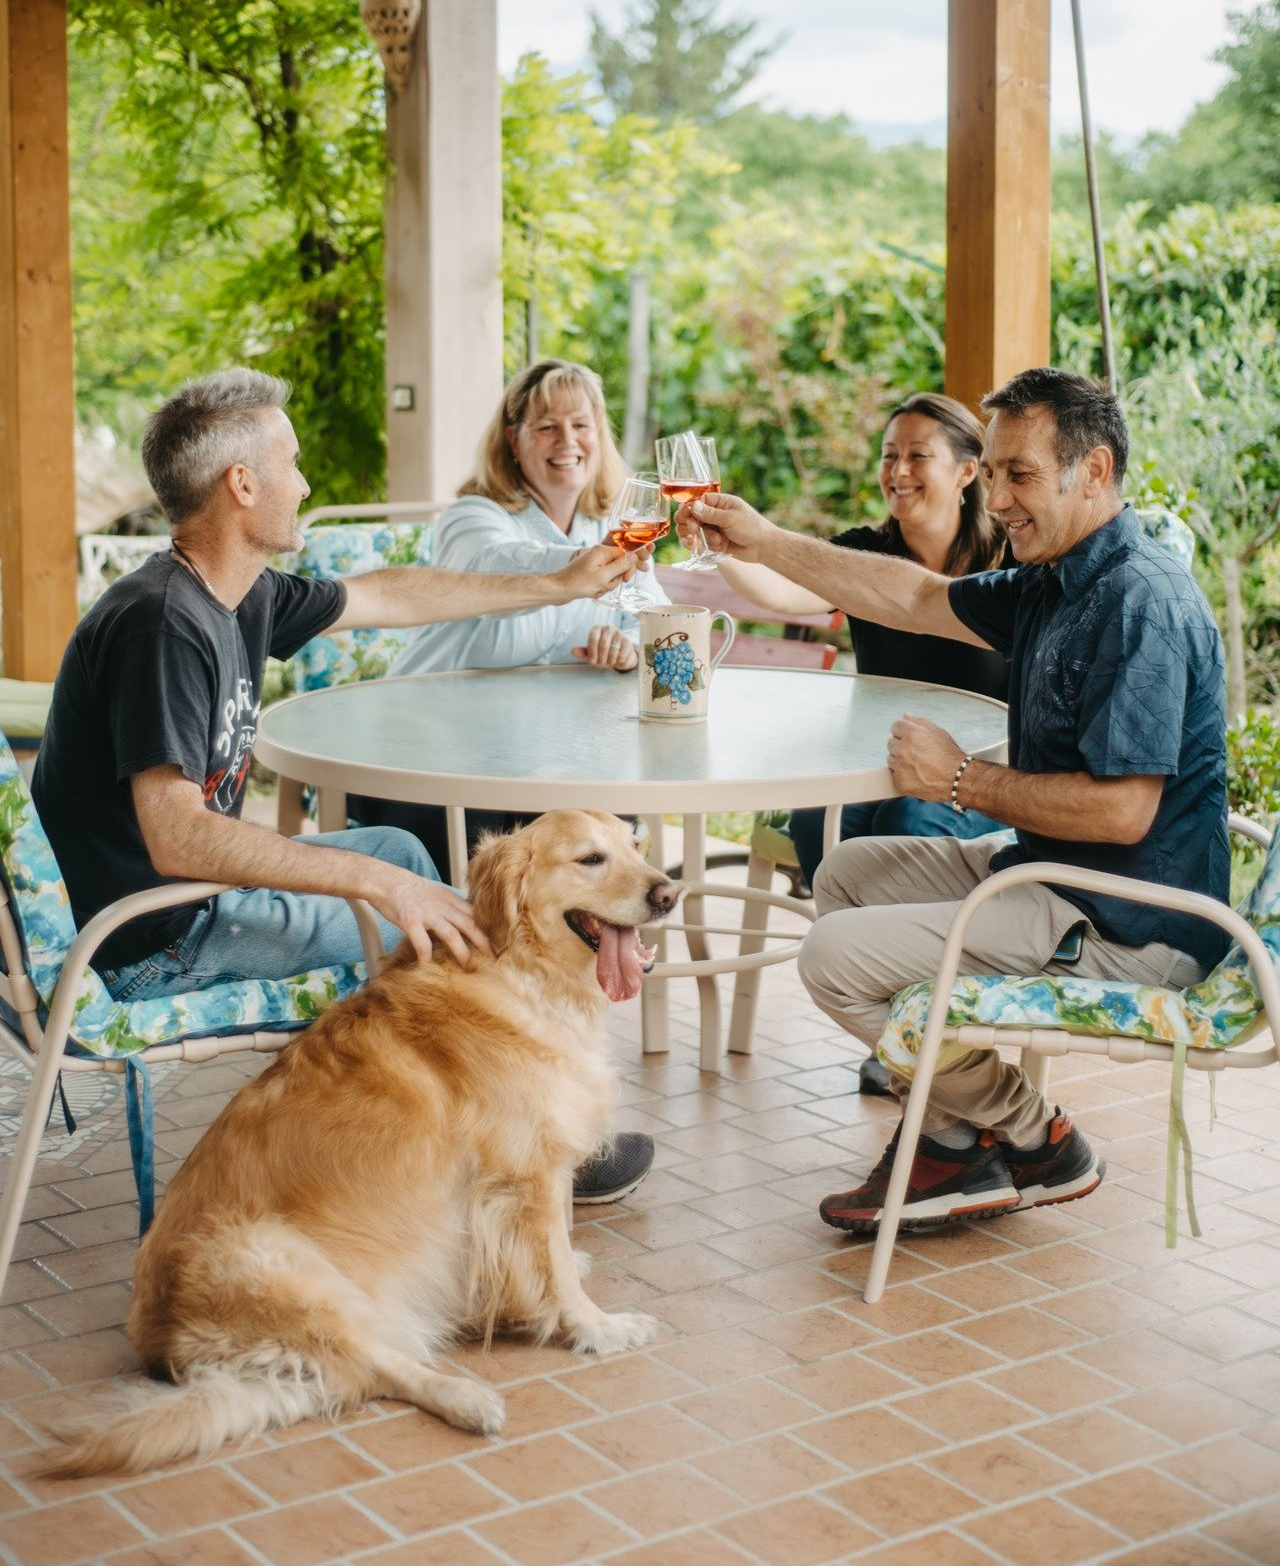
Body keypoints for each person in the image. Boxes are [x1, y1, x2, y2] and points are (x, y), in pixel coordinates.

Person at [32, 369, 647, 1203]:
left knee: (405, 857)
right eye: (290, 460)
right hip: (155, 941)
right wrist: (377, 884)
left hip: (185, 902)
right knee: (441, 938)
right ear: (241, 484)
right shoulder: (162, 626)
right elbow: (175, 835)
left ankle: (480, 1133)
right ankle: (521, 1152)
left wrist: (559, 582)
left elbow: (391, 591)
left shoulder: (233, 593)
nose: (306, 481)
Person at [691, 367, 1228, 1232]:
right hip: (1058, 876)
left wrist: (958, 781)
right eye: (997, 470)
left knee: (830, 957)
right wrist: (763, 538)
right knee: (848, 875)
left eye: (1021, 474)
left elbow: (1126, 811)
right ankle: (952, 1138)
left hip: (1128, 919)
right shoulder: (1055, 577)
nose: (1000, 496)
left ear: (1092, 473)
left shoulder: (1137, 600)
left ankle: (1034, 1136)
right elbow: (914, 594)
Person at [350, 358, 668, 870]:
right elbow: (493, 564)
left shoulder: (613, 524)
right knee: (510, 843)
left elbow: (655, 622)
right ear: (514, 441)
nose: (567, 440)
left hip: (548, 760)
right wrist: (579, 567)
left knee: (612, 827)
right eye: (546, 427)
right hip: (433, 759)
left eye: (581, 424)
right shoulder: (473, 517)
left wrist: (629, 652)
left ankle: (598, 952)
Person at [708, 393, 1009, 894]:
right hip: (881, 762)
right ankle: (855, 952)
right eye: (890, 454)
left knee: (912, 820)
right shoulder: (863, 555)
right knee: (814, 820)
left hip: (978, 771)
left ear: (966, 472)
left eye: (918, 455)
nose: (898, 470)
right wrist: (717, 545)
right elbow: (779, 589)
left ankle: (912, 960)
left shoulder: (1008, 566)